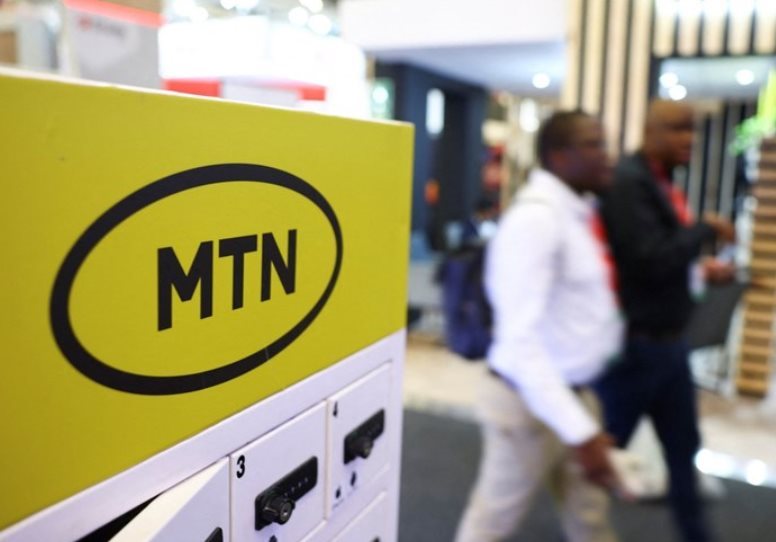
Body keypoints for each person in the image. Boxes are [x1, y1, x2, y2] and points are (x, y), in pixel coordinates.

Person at [455, 111, 624, 542]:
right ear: (559, 156)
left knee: (589, 519)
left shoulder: (574, 213)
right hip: (527, 402)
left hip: (569, 397)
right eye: (595, 145)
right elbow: (519, 342)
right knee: (491, 524)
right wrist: (582, 434)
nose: (608, 156)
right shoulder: (536, 220)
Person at [595, 100, 735, 542]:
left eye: (692, 129)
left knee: (682, 450)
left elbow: (664, 257)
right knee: (599, 456)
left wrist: (700, 269)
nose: (688, 139)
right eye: (677, 129)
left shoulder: (659, 182)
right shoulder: (628, 182)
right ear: (650, 130)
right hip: (636, 347)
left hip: (668, 346)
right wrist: (705, 230)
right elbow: (648, 259)